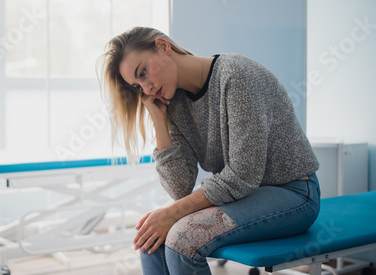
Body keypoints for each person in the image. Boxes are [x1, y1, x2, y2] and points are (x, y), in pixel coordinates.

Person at [97, 27, 320, 275]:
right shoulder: (173, 102)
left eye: (143, 73)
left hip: (294, 193)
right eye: (137, 86)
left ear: (163, 47)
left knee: (182, 240)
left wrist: (170, 213)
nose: (146, 89)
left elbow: (243, 175)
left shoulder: (236, 76)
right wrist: (159, 121)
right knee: (152, 240)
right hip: (243, 197)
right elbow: (179, 188)